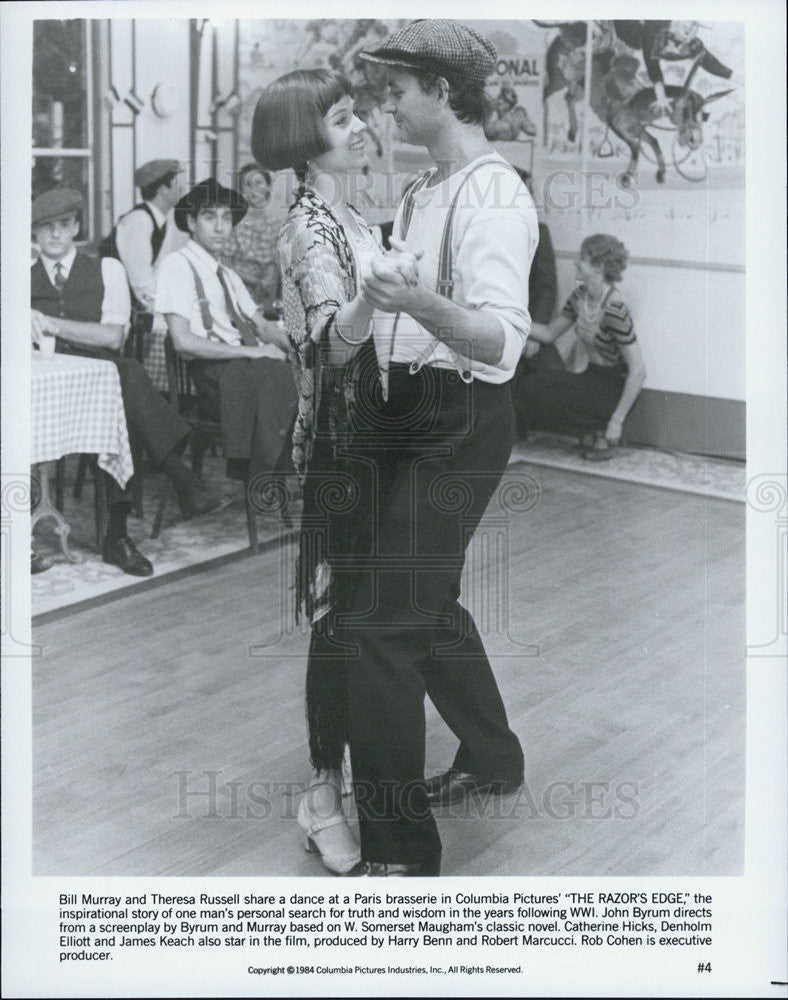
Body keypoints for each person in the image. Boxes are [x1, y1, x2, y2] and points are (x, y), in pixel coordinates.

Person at [348, 19, 534, 875]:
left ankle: (399, 850)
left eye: (397, 88)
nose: (386, 103)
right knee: (427, 600)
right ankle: (493, 757)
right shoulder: (425, 190)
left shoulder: (496, 194)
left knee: (383, 625)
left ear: (444, 93)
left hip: (461, 420)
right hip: (405, 410)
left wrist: (414, 304)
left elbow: (500, 343)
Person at [252, 68, 420, 876]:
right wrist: (378, 297)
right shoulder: (307, 229)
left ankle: (334, 783)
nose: (362, 128)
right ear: (304, 139)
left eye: (358, 114)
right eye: (344, 118)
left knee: (355, 615)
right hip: (338, 450)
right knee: (341, 618)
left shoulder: (346, 212)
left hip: (371, 434)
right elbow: (333, 343)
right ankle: (323, 792)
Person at [30, 187, 210, 577]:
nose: (56, 235)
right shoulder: (16, 277)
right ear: (34, 234)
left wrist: (47, 323)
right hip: (46, 390)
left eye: (64, 225)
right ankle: (178, 471)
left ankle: (115, 537)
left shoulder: (107, 269)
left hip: (98, 387)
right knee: (125, 375)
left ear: (77, 226)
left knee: (120, 405)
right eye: (46, 228)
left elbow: (112, 338)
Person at [154, 178, 297, 490]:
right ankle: (265, 476)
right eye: (209, 217)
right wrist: (254, 352)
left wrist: (302, 350)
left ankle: (270, 472)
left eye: (226, 218)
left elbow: (261, 326)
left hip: (246, 370)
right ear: (191, 223)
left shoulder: (228, 275)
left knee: (308, 375)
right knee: (285, 379)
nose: (220, 227)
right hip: (212, 376)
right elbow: (183, 341)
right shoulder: (176, 266)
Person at [514, 233, 647, 459]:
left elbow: (639, 372)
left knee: (556, 395)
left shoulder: (615, 308)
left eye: (583, 258)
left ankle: (601, 431)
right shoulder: (580, 297)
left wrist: (617, 421)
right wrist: (511, 320)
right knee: (531, 386)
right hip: (591, 377)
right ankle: (591, 433)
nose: (577, 263)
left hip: (613, 386)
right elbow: (548, 333)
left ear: (599, 266)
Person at [220, 163, 282, 314]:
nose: (253, 189)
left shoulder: (276, 224)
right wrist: (254, 281)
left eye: (258, 183)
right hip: (238, 291)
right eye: (247, 184)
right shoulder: (233, 222)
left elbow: (277, 262)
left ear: (268, 187)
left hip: (268, 295)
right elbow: (224, 263)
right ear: (241, 190)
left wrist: (270, 279)